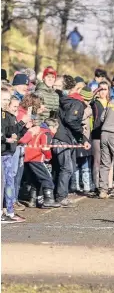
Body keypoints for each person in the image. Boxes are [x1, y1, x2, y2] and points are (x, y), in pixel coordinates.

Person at [52, 76, 90, 207]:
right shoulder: (76, 103)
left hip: (64, 138)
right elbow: (70, 120)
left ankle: (58, 194)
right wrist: (81, 129)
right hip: (63, 139)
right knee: (67, 168)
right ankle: (61, 197)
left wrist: (82, 139)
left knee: (64, 168)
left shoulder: (62, 100)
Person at [19, 118, 61, 209]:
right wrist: (49, 157)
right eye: (56, 128)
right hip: (37, 157)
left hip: (27, 157)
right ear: (51, 127)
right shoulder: (46, 133)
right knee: (47, 178)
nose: (56, 131)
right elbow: (45, 148)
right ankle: (49, 200)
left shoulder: (37, 130)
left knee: (35, 180)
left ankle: (33, 200)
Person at [1, 90, 29, 223]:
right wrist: (22, 124)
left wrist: (24, 127)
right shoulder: (4, 116)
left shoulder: (10, 116)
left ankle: (9, 210)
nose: (16, 109)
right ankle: (7, 211)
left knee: (9, 182)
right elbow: (8, 133)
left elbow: (15, 134)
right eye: (14, 106)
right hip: (5, 153)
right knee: (7, 182)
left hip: (10, 152)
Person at [91, 81, 110, 190]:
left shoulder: (111, 103)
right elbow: (89, 99)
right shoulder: (94, 102)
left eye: (105, 89)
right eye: (101, 89)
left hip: (108, 135)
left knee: (107, 161)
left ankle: (106, 184)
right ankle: (97, 185)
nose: (103, 91)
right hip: (97, 134)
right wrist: (96, 92)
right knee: (97, 161)